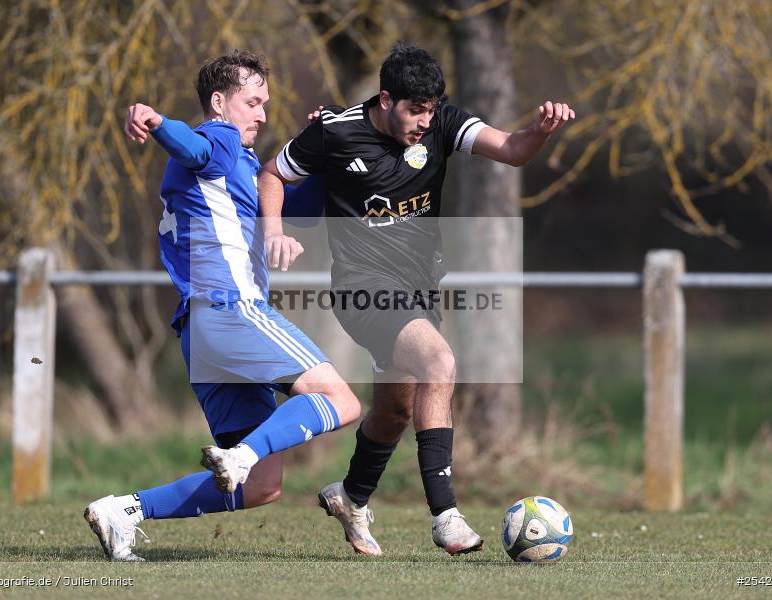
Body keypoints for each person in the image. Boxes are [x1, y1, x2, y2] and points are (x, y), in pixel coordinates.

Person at [258, 44, 575, 556]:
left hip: (420, 290)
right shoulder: (335, 131)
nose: (425, 121)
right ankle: (445, 514)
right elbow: (272, 173)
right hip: (361, 287)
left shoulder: (443, 123)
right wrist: (273, 230)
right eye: (415, 110)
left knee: (395, 411)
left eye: (431, 109)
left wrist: (539, 130)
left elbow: (513, 149)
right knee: (439, 361)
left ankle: (351, 496)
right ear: (386, 100)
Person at [83, 50, 361, 562]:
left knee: (260, 486)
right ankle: (242, 454)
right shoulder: (220, 138)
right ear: (218, 102)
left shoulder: (240, 164)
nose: (262, 115)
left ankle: (124, 510)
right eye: (252, 103)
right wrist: (158, 121)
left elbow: (298, 209)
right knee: (343, 401)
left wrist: (325, 154)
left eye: (265, 104)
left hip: (202, 331)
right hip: (232, 311)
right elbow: (193, 146)